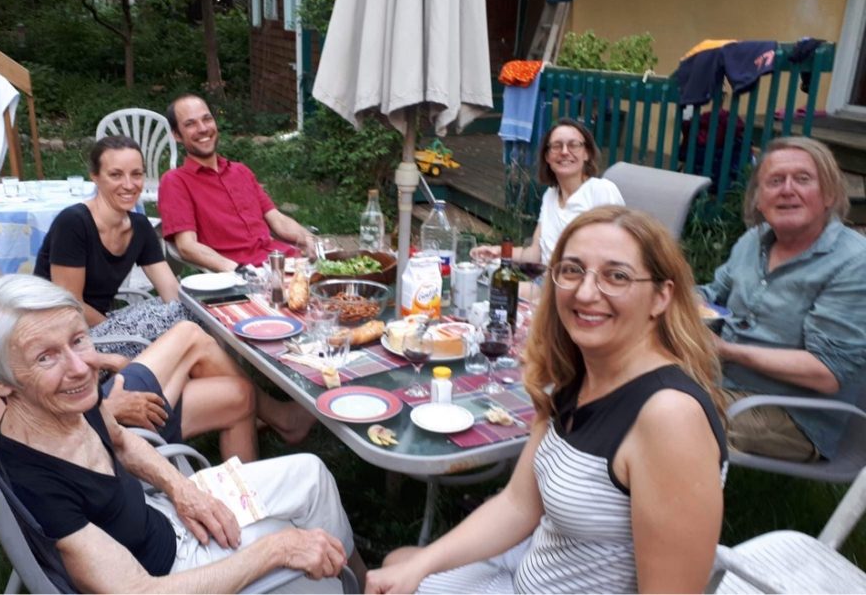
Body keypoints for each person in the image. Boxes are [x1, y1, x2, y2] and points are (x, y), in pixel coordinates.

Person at [367, 206, 727, 593]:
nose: (586, 293)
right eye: (572, 270)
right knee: (400, 565)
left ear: (661, 297)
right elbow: (519, 504)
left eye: (616, 276)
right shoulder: (578, 374)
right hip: (526, 573)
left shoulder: (669, 417)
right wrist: (421, 565)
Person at [0, 274, 363, 592]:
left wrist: (180, 489)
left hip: (164, 514)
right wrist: (276, 550)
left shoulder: (69, 401)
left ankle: (364, 584)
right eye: (45, 357)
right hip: (172, 571)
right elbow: (138, 591)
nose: (80, 368)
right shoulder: (37, 483)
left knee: (311, 474)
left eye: (78, 340)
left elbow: (122, 441)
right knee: (304, 543)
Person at [0, 184, 312, 458]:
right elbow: (3, 429)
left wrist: (99, 360)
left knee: (236, 395)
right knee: (190, 333)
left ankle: (245, 500)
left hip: (67, 395)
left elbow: (19, 355)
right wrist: (105, 410)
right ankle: (280, 427)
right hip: (72, 434)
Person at [700, 136, 866, 462]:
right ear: (758, 199)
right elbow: (713, 294)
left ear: (829, 194)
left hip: (794, 415)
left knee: (663, 416)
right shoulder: (754, 240)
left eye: (802, 179)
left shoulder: (853, 262)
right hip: (720, 382)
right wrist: (678, 302)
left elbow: (827, 373)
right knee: (617, 381)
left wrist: (726, 350)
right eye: (775, 181)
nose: (787, 190)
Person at [34, 135, 191, 356]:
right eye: (116, 175)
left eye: (136, 174)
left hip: (102, 324)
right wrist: (121, 335)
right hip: (62, 337)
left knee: (189, 311)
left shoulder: (140, 226)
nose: (129, 185)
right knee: (185, 327)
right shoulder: (73, 222)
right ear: (95, 177)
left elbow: (171, 292)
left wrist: (186, 314)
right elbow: (70, 306)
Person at [158, 94, 315, 271]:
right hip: (246, 275)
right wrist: (241, 272)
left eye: (207, 119)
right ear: (177, 135)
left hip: (285, 263)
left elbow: (277, 220)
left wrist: (311, 241)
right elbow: (187, 247)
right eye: (190, 124)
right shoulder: (175, 182)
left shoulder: (241, 172)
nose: (202, 128)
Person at [471, 118, 624, 267]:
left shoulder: (601, 191)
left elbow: (616, 254)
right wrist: (499, 252)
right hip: (546, 278)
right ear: (547, 157)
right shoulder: (550, 196)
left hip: (579, 280)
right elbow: (534, 254)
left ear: (587, 153)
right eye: (557, 146)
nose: (564, 152)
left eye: (574, 145)